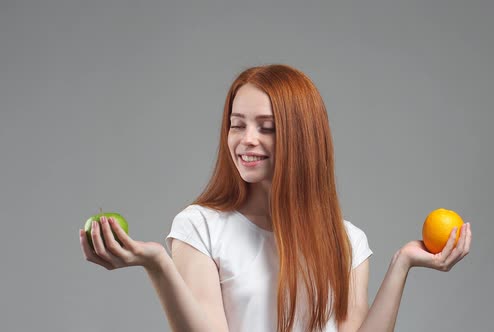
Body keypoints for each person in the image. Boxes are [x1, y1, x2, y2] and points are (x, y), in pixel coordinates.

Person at [79, 64, 472, 332]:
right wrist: (158, 265)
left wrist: (402, 263)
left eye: (266, 127)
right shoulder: (199, 227)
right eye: (237, 125)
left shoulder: (348, 241)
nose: (246, 139)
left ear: (302, 138)